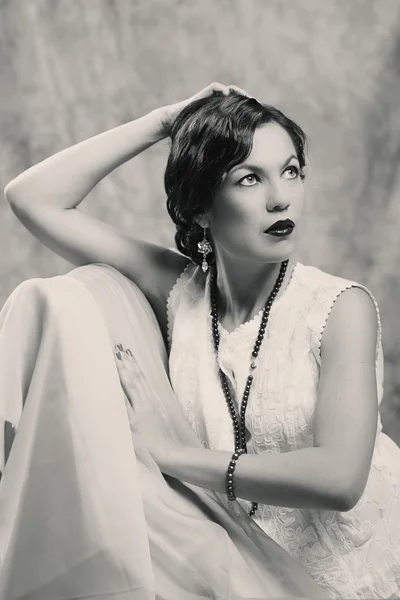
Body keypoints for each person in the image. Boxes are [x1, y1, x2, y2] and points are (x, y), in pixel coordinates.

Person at [4, 82, 400, 599]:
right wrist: (165, 122)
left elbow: (339, 480)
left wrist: (168, 455)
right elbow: (33, 198)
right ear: (200, 209)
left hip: (358, 577)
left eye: (291, 171)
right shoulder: (179, 295)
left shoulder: (340, 307)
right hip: (237, 571)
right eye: (249, 179)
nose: (280, 197)